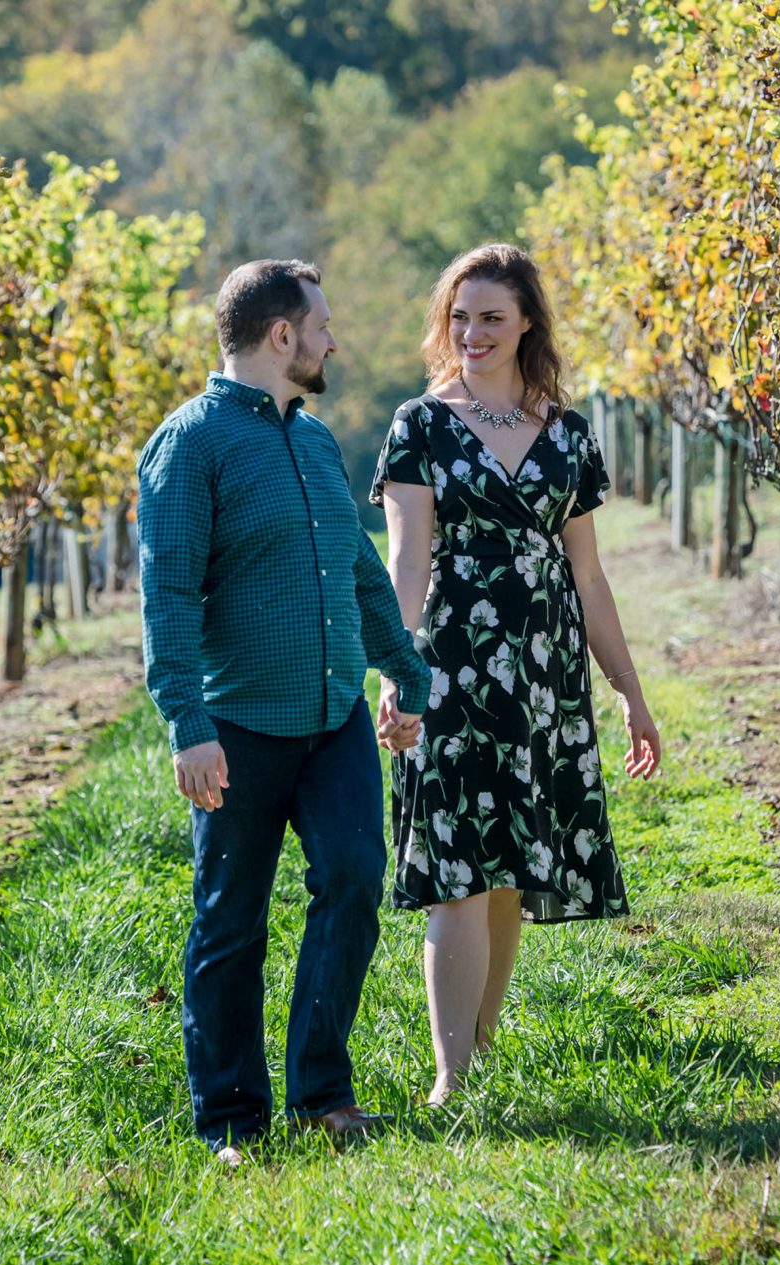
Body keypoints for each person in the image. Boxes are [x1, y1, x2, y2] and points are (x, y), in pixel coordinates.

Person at [136, 259, 432, 1167]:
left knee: (353, 878)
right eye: (322, 326)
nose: (332, 341)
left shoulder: (315, 440)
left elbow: (357, 569)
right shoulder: (190, 444)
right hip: (238, 727)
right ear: (281, 335)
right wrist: (186, 723)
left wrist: (405, 671)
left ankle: (322, 1093)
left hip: (334, 717)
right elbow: (168, 594)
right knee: (231, 918)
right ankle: (230, 1118)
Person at [369, 242, 663, 1107]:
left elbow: (589, 576)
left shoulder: (568, 433)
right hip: (451, 665)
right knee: (457, 869)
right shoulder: (420, 425)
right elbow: (407, 561)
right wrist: (397, 670)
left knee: (507, 873)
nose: (473, 333)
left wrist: (629, 690)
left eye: (492, 317)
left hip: (542, 674)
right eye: (460, 317)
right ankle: (450, 1078)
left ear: (527, 321)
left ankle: (480, 1054)